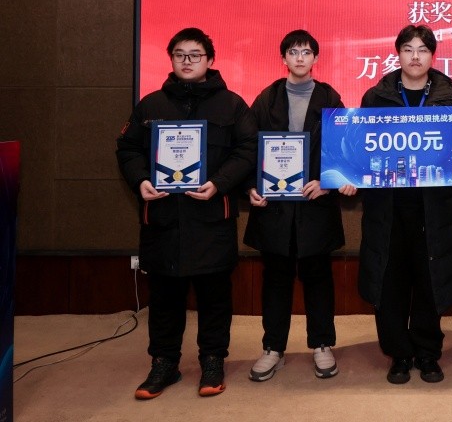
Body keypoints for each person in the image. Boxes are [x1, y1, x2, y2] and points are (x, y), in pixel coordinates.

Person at [116, 27, 257, 399]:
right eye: (180, 55)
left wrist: (219, 183)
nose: (187, 61)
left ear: (210, 60)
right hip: (164, 219)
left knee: (214, 297)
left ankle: (213, 361)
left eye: (195, 55)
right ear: (172, 59)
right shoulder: (150, 106)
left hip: (211, 217)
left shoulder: (232, 105)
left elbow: (248, 150)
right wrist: (140, 180)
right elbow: (127, 149)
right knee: (164, 297)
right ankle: (164, 363)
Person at [356, 24, 452, 384]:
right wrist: (348, 175)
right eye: (408, 49)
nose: (415, 56)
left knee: (431, 279)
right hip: (387, 207)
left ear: (432, 56)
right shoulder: (376, 98)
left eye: (422, 50)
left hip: (433, 207)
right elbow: (360, 148)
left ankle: (428, 353)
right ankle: (399, 354)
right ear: (398, 54)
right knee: (390, 280)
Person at [243, 30, 355, 382]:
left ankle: (322, 344)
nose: (300, 58)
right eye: (293, 52)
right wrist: (251, 187)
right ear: (284, 58)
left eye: (307, 52)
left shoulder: (330, 98)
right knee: (275, 279)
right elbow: (248, 148)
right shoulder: (266, 98)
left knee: (318, 277)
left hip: (314, 204)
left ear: (315, 58)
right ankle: (272, 348)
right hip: (275, 208)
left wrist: (328, 182)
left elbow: (344, 150)